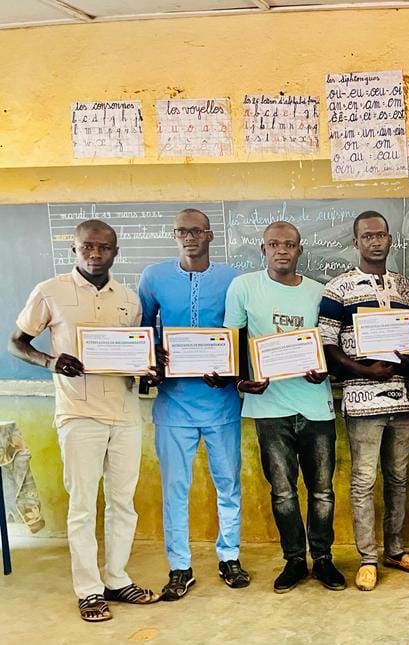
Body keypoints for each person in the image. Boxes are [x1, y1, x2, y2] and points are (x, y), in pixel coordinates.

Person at [8, 219, 160, 622]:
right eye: (87, 247)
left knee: (123, 503)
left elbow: (133, 357)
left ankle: (116, 578)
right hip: (78, 414)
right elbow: (16, 342)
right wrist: (50, 360)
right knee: (82, 506)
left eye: (104, 248)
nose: (95, 254)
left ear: (115, 251)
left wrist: (146, 369)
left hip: (125, 414)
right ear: (74, 250)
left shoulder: (129, 298)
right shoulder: (50, 291)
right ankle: (89, 590)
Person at [223, 221, 344, 593]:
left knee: (322, 490)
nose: (281, 250)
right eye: (273, 244)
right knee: (283, 492)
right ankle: (294, 559)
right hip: (268, 408)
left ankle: (322, 559)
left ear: (299, 250)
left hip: (315, 404)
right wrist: (240, 381)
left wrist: (321, 369)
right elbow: (234, 340)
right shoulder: (244, 287)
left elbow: (328, 343)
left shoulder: (319, 292)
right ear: (263, 249)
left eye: (289, 244)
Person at [138, 208, 248, 600]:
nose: (189, 237)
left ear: (210, 235)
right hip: (173, 404)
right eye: (182, 231)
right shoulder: (153, 277)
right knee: (175, 489)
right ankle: (180, 566)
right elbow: (144, 329)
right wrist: (153, 360)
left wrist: (233, 371)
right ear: (174, 235)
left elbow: (241, 332)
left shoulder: (233, 279)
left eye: (196, 231)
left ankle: (229, 556)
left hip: (221, 402)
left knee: (228, 484)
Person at [319, 210, 409, 591]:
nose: (375, 241)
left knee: (399, 480)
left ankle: (395, 550)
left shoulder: (405, 287)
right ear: (356, 242)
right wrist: (366, 372)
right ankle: (367, 557)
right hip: (362, 400)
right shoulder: (338, 289)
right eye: (367, 236)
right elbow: (327, 346)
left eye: (381, 235)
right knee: (364, 481)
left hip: (402, 400)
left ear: (390, 240)